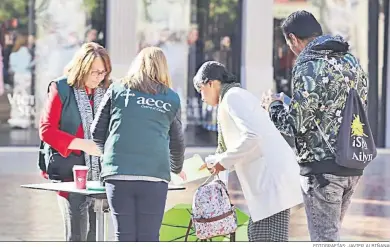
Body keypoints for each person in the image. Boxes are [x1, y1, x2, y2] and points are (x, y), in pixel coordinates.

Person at [263, 10, 369, 241]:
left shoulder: (308, 64)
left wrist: (273, 106)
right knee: (331, 235)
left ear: (292, 38)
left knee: (324, 239)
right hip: (353, 163)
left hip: (322, 169)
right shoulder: (351, 61)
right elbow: (340, 109)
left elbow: (294, 126)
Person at [194, 61, 302, 242]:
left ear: (211, 83)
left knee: (266, 238)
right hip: (269, 183)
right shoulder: (233, 96)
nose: (201, 97)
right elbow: (242, 141)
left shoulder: (233, 97)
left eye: (201, 90)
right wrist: (217, 161)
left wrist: (223, 161)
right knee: (260, 235)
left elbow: (253, 136)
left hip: (272, 183)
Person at [90, 46, 185, 242]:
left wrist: (109, 155)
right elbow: (177, 142)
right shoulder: (171, 98)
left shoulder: (116, 89)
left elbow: (96, 131)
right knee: (149, 237)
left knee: (123, 236)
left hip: (117, 173)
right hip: (154, 175)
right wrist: (176, 168)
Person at [39, 42, 112, 241]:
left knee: (96, 236)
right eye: (94, 72)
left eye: (103, 72)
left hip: (101, 174)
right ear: (81, 68)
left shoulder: (108, 90)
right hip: (70, 173)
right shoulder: (61, 88)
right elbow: (46, 131)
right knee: (77, 235)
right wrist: (83, 144)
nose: (99, 77)